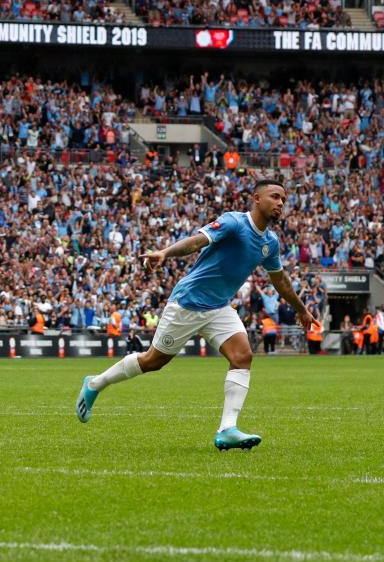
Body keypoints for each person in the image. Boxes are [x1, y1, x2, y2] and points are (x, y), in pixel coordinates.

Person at [75, 180, 318, 451]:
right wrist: (165, 252)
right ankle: (95, 383)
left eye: (284, 199)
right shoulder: (234, 223)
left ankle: (227, 429)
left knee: (243, 357)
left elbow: (281, 280)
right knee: (153, 361)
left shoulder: (270, 243)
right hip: (188, 303)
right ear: (256, 198)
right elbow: (197, 241)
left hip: (219, 308)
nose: (281, 203)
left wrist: (302, 310)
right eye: (275, 197)